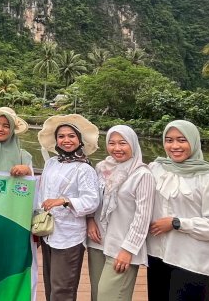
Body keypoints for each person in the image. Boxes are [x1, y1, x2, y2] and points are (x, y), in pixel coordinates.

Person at [146, 120, 209, 301]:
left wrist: (177, 223)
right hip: (157, 255)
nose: (174, 146)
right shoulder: (157, 168)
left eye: (182, 140)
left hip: (191, 260)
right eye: (169, 140)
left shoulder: (208, 179)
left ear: (193, 141)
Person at [36, 114, 101, 301]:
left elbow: (91, 201)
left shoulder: (84, 168)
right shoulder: (51, 163)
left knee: (62, 289)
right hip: (48, 232)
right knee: (50, 284)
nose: (66, 140)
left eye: (71, 136)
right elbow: (42, 191)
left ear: (80, 140)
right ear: (56, 140)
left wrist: (64, 200)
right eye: (61, 136)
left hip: (69, 236)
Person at [85, 125, 153, 301]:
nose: (117, 148)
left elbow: (142, 217)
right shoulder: (102, 168)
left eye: (123, 143)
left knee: (109, 297)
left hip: (122, 246)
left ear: (133, 144)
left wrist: (128, 249)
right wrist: (90, 219)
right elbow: (92, 199)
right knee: (96, 295)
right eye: (112, 143)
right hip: (98, 241)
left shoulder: (142, 174)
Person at [0, 107, 33, 176]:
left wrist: (27, 171)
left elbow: (30, 183)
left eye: (6, 126)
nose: (0, 129)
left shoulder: (23, 156)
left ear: (12, 129)